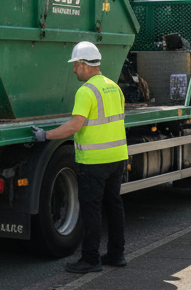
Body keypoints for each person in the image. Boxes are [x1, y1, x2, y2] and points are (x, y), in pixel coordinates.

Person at [30, 41, 127, 273]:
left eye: (75, 65)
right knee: (114, 206)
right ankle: (116, 254)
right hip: (117, 157)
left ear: (84, 65)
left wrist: (46, 135)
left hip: (94, 161)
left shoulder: (86, 91)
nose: (73, 70)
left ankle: (91, 259)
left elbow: (74, 126)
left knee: (91, 210)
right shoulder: (114, 87)